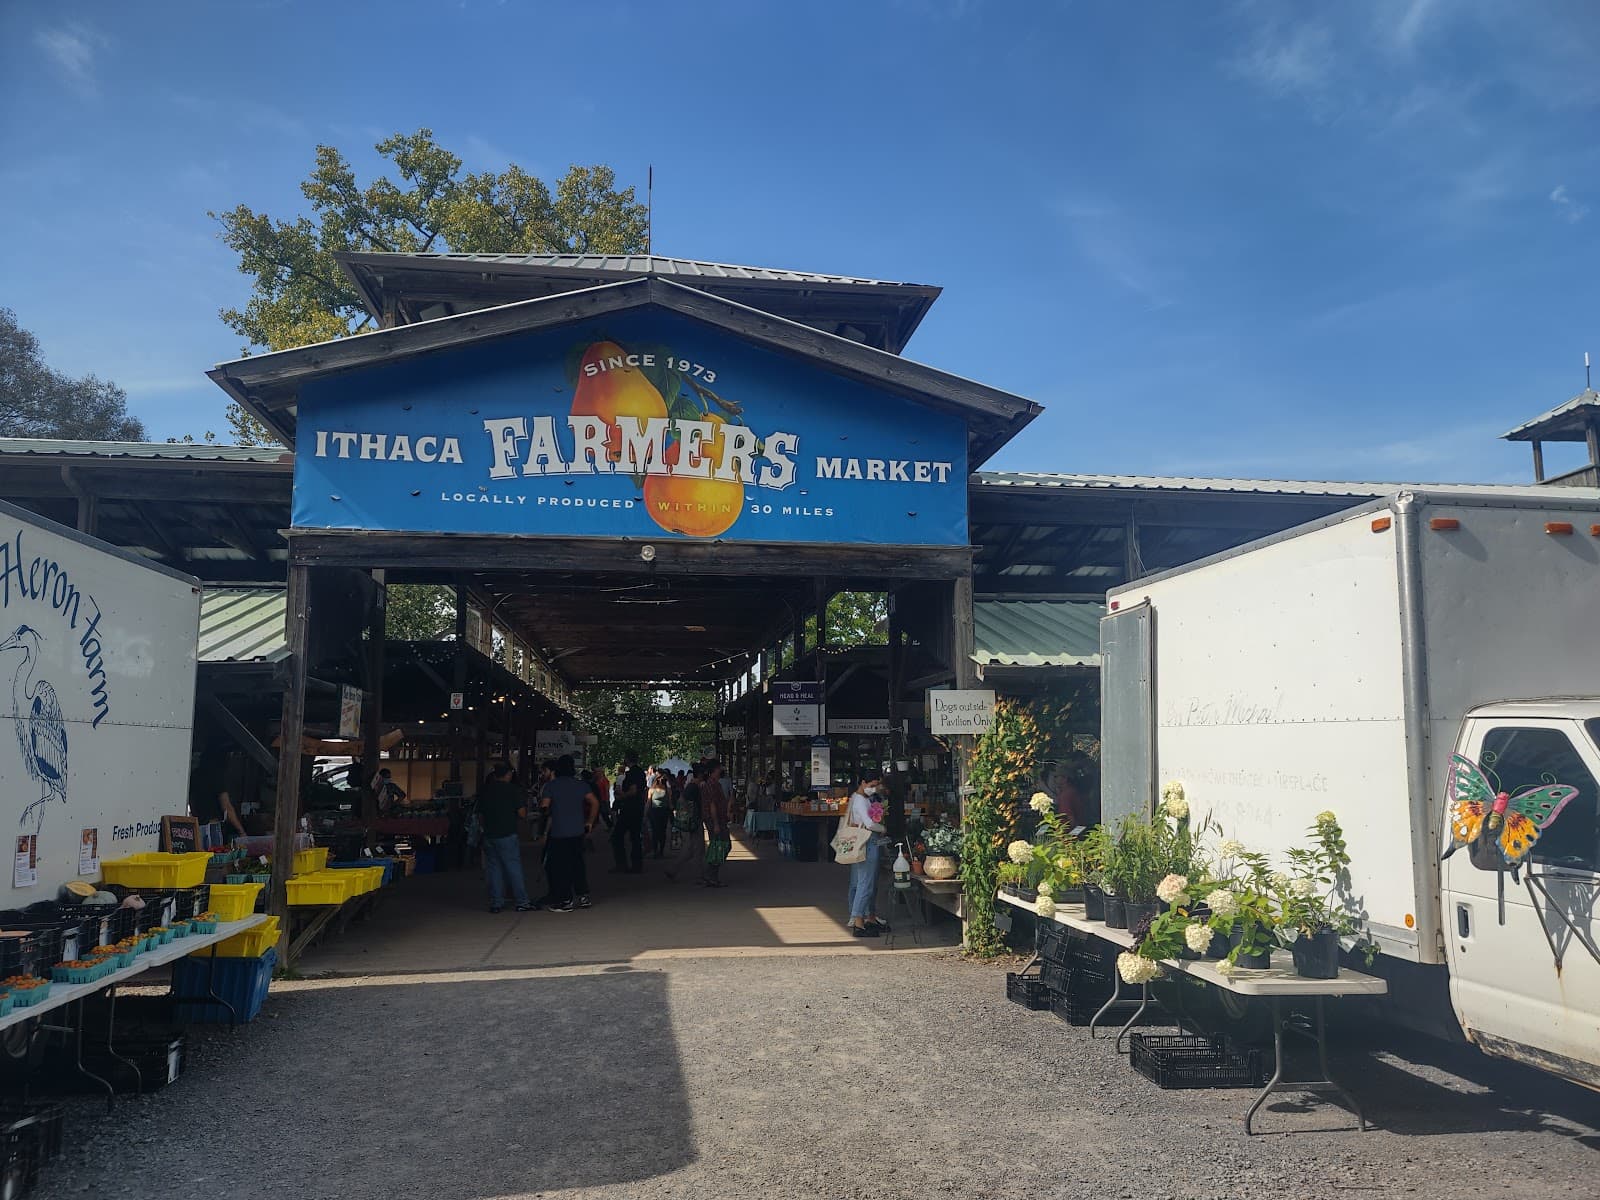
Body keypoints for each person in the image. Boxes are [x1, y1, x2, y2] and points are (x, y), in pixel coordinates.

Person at [540, 755, 599, 911]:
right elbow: (594, 802)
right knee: (578, 864)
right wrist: (590, 822)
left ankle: (566, 900)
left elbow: (545, 806)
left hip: (558, 832)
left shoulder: (551, 786)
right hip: (577, 831)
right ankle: (583, 896)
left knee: (560, 867)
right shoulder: (581, 785)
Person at [478, 762, 532, 913]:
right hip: (507, 833)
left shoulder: (485, 790)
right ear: (509, 774)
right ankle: (522, 901)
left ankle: (496, 902)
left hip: (489, 834)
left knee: (494, 869)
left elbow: (480, 814)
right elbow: (522, 813)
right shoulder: (513, 790)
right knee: (513, 867)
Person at [845, 772, 889, 936]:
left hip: (863, 842)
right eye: (872, 785)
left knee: (863, 882)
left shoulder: (860, 798)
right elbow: (869, 824)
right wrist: (882, 828)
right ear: (863, 783)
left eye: (876, 785)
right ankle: (858, 922)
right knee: (865, 884)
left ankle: (867, 917)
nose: (874, 788)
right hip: (867, 842)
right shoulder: (860, 801)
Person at [665, 765, 705, 883]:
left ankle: (673, 869)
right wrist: (689, 813)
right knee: (698, 849)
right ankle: (699, 876)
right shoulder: (693, 787)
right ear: (700, 775)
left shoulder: (693, 786)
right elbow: (682, 799)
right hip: (695, 821)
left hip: (694, 820)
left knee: (690, 849)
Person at [610, 751, 647, 874]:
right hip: (638, 808)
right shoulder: (641, 772)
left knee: (617, 836)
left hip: (629, 808)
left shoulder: (631, 774)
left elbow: (633, 790)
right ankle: (637, 865)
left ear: (627, 759)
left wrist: (622, 795)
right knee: (635, 837)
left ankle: (621, 864)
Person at [701, 759, 732, 889]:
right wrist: (716, 824)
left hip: (719, 819)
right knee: (721, 846)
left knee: (719, 846)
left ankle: (710, 875)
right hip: (716, 820)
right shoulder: (711, 785)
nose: (721, 770)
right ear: (715, 769)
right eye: (719, 768)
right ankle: (711, 875)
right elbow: (712, 805)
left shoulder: (715, 784)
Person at [646, 769, 672, 858]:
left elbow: (670, 802)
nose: (663, 780)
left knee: (661, 832)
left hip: (662, 811)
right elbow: (648, 802)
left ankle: (660, 851)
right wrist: (645, 813)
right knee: (656, 832)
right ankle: (656, 851)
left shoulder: (667, 789)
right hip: (656, 812)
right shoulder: (652, 789)